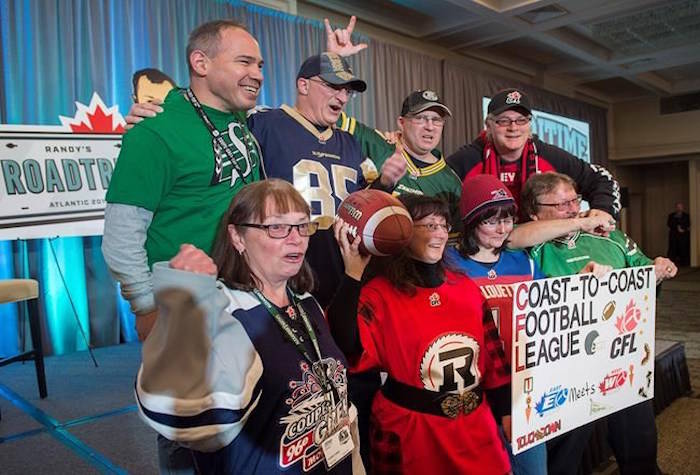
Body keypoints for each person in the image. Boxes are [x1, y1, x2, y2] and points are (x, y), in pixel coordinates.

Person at [135, 179, 362, 474]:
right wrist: (186, 296)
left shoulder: (307, 303)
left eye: (302, 226)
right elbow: (186, 414)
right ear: (237, 237)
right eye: (277, 227)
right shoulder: (221, 308)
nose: (295, 239)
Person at [328, 194, 512, 474]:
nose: (438, 233)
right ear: (401, 232)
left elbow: (494, 357)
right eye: (427, 225)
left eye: (443, 225)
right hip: (411, 432)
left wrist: (506, 410)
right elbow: (346, 345)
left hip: (474, 427)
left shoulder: (465, 287)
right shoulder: (379, 294)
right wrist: (353, 274)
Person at [103, 20, 264, 341]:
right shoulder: (154, 129)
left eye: (260, 65)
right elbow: (122, 233)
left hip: (246, 294)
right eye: (244, 62)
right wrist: (147, 307)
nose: (258, 74)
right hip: (186, 301)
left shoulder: (245, 117)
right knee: (191, 390)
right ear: (200, 62)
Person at [519, 172, 677, 475]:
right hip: (566, 369)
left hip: (621, 355)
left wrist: (657, 268)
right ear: (533, 211)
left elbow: (643, 271)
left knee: (639, 440)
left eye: (574, 200)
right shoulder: (529, 249)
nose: (573, 209)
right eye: (561, 204)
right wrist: (577, 287)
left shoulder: (610, 236)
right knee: (565, 455)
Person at [446, 174, 547, 475]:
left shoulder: (524, 263)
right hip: (473, 388)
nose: (502, 229)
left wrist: (584, 276)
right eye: (491, 221)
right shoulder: (448, 264)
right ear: (471, 221)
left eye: (508, 220)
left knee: (533, 469)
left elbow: (550, 314)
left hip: (520, 386)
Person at [446, 88, 620, 224]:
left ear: (529, 124)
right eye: (504, 121)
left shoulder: (549, 155)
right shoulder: (467, 159)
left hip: (542, 248)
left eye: (521, 120)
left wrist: (604, 209)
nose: (513, 128)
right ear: (488, 125)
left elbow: (602, 178)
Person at [336, 90, 463, 233]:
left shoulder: (451, 183)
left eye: (436, 120)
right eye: (420, 118)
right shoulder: (376, 144)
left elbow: (452, 241)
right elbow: (325, 112)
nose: (430, 126)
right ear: (401, 123)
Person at [667, 201, 690, 266]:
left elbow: (687, 224)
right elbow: (669, 224)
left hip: (683, 236)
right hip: (674, 236)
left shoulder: (686, 216)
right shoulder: (671, 216)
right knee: (673, 251)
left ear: (683, 208)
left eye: (680, 207)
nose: (679, 208)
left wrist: (682, 228)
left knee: (683, 250)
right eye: (678, 207)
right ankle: (672, 264)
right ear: (676, 208)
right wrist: (677, 226)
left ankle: (684, 264)